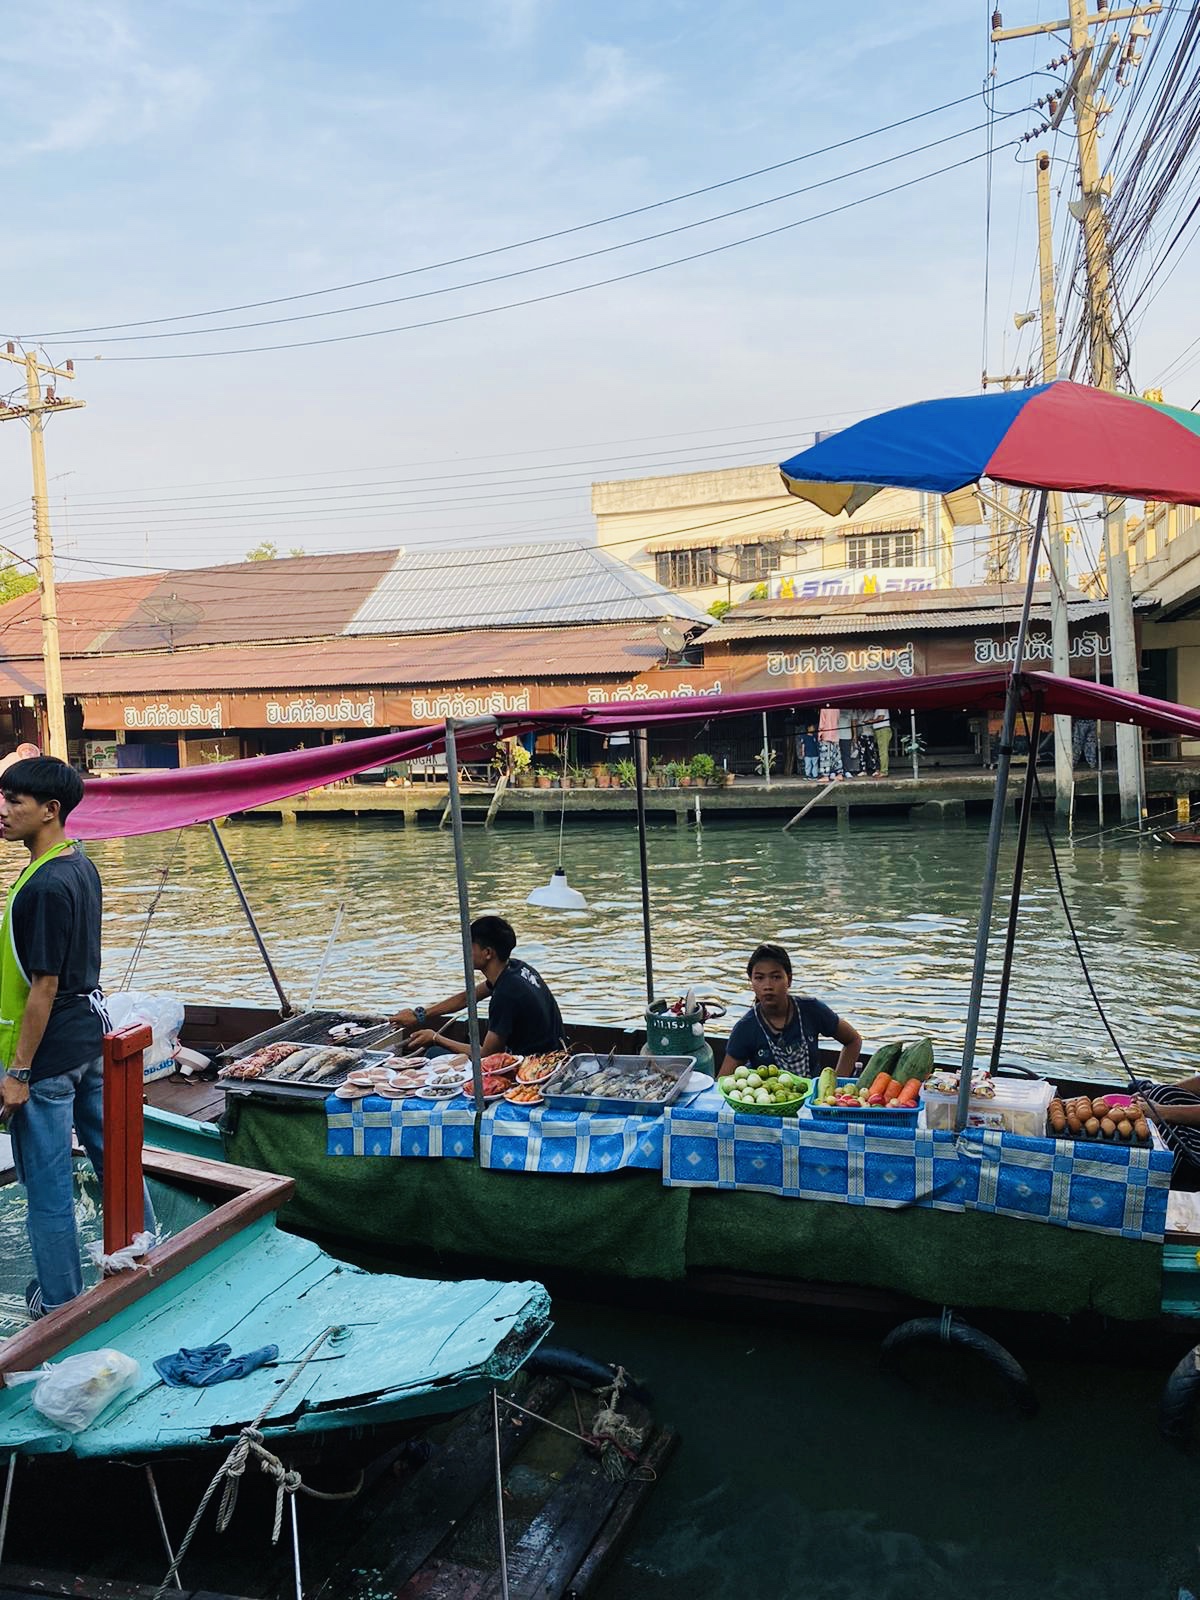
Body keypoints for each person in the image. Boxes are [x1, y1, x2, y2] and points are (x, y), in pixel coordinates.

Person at [0, 757, 125, 1320]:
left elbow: (43, 987)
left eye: (14, 802)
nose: (2, 811)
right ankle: (147, 1250)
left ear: (50, 811)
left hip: (49, 1055)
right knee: (114, 1160)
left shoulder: (47, 883)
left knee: (47, 1189)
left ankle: (60, 1303)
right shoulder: (78, 864)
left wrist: (19, 1072)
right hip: (86, 1041)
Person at [392, 914, 563, 1058]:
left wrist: (435, 1037)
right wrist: (420, 1015)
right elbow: (466, 998)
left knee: (433, 1053)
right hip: (553, 1053)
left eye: (469, 946)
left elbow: (487, 1054)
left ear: (487, 953)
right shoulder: (516, 968)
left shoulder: (506, 994)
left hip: (534, 1066)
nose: (465, 951)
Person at [719, 942, 862, 1083]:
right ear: (751, 982)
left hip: (810, 1098)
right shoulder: (746, 1028)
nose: (768, 986)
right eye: (759, 978)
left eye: (776, 977)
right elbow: (723, 1081)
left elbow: (853, 1040)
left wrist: (835, 1085)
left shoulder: (811, 1010)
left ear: (789, 979)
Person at [817, 707, 843, 780]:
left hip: (826, 734)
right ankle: (839, 774)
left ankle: (825, 776)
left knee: (825, 756)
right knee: (836, 755)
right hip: (835, 734)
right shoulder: (837, 709)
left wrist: (820, 734)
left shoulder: (824, 709)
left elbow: (822, 722)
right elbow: (837, 721)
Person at [870, 709, 893, 776]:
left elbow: (881, 717)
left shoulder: (881, 707)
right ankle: (881, 770)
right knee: (879, 751)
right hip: (879, 729)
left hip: (882, 729)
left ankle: (884, 771)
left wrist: (871, 721)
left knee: (883, 751)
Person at [837, 710, 859, 778]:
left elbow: (854, 722)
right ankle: (837, 771)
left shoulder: (852, 710)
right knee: (837, 755)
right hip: (837, 735)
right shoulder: (836, 709)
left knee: (846, 754)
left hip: (847, 735)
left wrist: (855, 735)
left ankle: (847, 771)